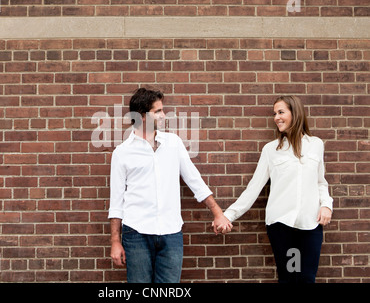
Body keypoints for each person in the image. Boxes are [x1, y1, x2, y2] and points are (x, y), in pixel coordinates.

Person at [108, 87, 232, 283]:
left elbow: (194, 179)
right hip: (136, 234)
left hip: (171, 232)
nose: (164, 115)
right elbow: (116, 201)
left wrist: (217, 212)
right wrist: (115, 241)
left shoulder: (173, 143)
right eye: (157, 111)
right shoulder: (122, 153)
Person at [221, 95, 333, 283]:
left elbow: (320, 182)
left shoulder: (316, 145)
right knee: (290, 277)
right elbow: (253, 188)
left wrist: (327, 205)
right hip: (284, 226)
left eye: (281, 112)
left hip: (310, 224)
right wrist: (228, 215)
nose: (276, 117)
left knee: (306, 278)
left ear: (295, 113)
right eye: (275, 113)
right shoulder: (271, 150)